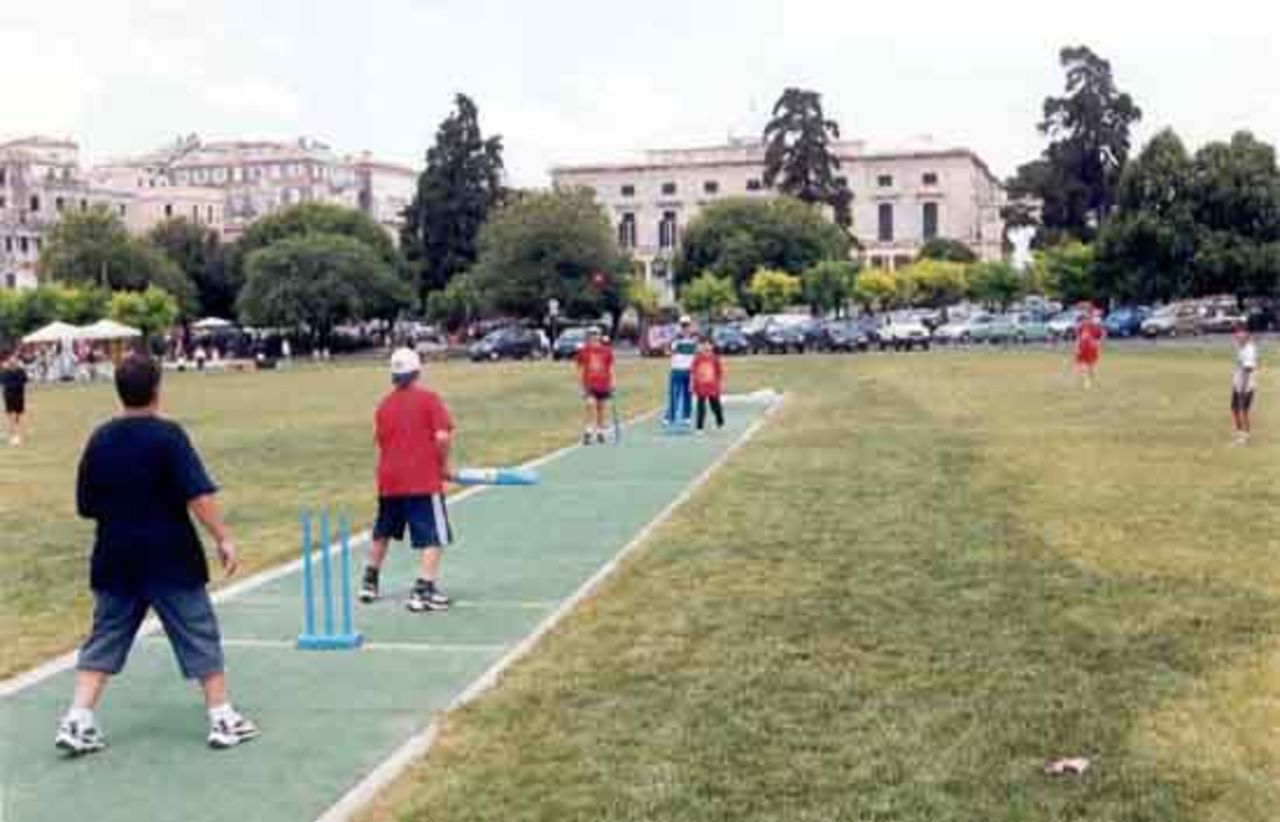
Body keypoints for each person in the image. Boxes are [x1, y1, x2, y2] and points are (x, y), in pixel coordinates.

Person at [57, 354, 257, 756]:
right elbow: (197, 494)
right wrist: (222, 537)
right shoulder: (168, 436)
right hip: (169, 554)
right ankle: (222, 716)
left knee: (106, 634)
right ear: (157, 390)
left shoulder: (100, 439)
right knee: (198, 629)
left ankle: (78, 718)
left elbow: (86, 504)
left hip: (115, 555)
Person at [360, 348, 455, 612]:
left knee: (384, 531)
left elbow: (380, 442)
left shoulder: (383, 405)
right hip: (422, 479)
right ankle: (422, 590)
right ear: (417, 372)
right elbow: (443, 437)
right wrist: (443, 466)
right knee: (434, 536)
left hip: (389, 479)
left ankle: (369, 581)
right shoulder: (429, 399)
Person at [575, 328, 614, 445]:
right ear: (588, 337)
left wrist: (612, 383)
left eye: (596, 335)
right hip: (589, 384)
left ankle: (600, 432)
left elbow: (610, 368)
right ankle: (588, 431)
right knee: (590, 405)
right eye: (591, 335)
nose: (594, 337)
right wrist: (581, 386)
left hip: (603, 384)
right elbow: (580, 369)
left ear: (599, 336)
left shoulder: (606, 351)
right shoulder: (583, 351)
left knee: (601, 409)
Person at [665, 315, 698, 426]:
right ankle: (670, 416)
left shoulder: (694, 339)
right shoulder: (675, 338)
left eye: (687, 325)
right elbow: (667, 351)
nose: (685, 328)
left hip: (690, 371)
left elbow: (697, 353)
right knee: (674, 394)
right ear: (680, 326)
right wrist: (672, 351)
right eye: (683, 325)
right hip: (677, 370)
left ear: (690, 326)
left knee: (688, 394)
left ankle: (686, 416)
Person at [1231, 323, 1259, 445]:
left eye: (1241, 332)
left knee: (1242, 410)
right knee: (1235, 409)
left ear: (1247, 334)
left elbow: (1248, 370)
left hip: (1245, 387)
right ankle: (1240, 433)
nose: (1239, 334)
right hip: (1238, 385)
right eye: (1237, 332)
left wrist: (1242, 389)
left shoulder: (1249, 350)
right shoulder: (1240, 347)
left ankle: (1244, 436)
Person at [691, 336, 725, 433]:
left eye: (708, 345)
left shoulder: (715, 358)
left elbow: (719, 373)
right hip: (701, 386)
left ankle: (720, 420)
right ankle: (699, 426)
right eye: (704, 345)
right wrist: (693, 384)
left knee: (715, 405)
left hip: (712, 387)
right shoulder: (697, 359)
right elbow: (693, 372)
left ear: (712, 346)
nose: (706, 347)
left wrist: (718, 385)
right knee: (700, 406)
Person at [3, 350, 29, 446]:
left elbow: (25, 380)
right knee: (11, 417)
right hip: (9, 396)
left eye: (15, 360)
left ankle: (20, 437)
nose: (13, 361)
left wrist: (22, 369)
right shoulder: (6, 371)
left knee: (19, 417)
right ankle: (12, 436)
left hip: (19, 396)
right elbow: (4, 383)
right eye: (11, 359)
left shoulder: (20, 371)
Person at [1074, 306, 1104, 389]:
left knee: (1091, 366)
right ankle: (1087, 381)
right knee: (1082, 366)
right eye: (1084, 319)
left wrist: (1097, 344)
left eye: (1087, 318)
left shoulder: (1094, 326)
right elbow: (1078, 338)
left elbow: (1101, 335)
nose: (1085, 320)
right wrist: (1077, 348)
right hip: (1082, 347)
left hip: (1091, 349)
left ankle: (1091, 381)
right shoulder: (1081, 327)